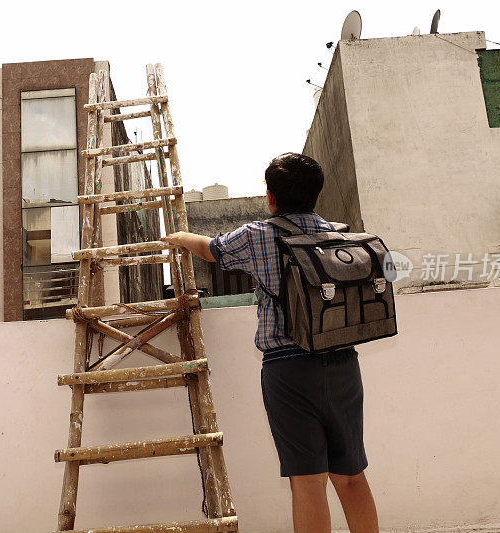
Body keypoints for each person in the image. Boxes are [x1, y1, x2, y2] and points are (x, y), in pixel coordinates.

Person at [161, 153, 379, 533]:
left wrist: (180, 238)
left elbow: (210, 249)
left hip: (288, 369)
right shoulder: (338, 234)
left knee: (308, 480)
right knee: (350, 474)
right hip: (344, 362)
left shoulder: (259, 235)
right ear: (315, 193)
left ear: (271, 196)